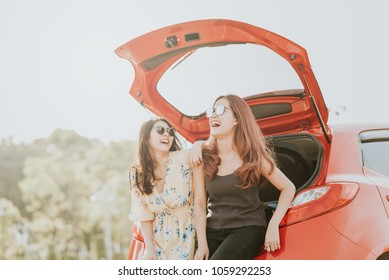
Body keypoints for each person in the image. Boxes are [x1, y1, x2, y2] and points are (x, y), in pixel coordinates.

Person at [193, 94, 296, 260]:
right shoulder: (202, 158)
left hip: (247, 228)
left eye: (221, 110)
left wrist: (273, 224)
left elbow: (288, 187)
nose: (213, 115)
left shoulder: (253, 156)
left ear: (236, 120)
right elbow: (199, 203)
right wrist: (202, 243)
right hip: (213, 230)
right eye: (211, 110)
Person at [129, 118, 202, 260]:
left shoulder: (184, 158)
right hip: (157, 241)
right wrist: (149, 249)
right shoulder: (137, 172)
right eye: (160, 130)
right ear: (146, 138)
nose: (166, 134)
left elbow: (216, 145)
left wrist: (199, 144)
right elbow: (144, 214)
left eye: (170, 131)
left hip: (188, 234)